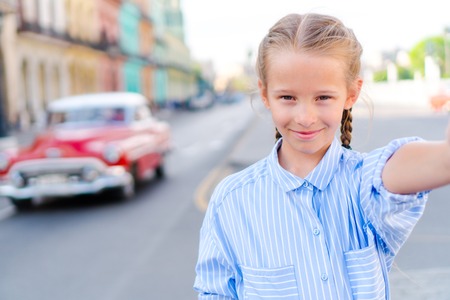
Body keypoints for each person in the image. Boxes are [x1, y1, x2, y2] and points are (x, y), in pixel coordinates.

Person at [193, 13, 450, 299]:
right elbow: (215, 292)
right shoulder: (232, 200)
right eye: (288, 97)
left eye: (323, 98)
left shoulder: (364, 185)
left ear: (351, 94)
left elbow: (404, 166)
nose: (305, 117)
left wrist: (444, 157)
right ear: (265, 94)